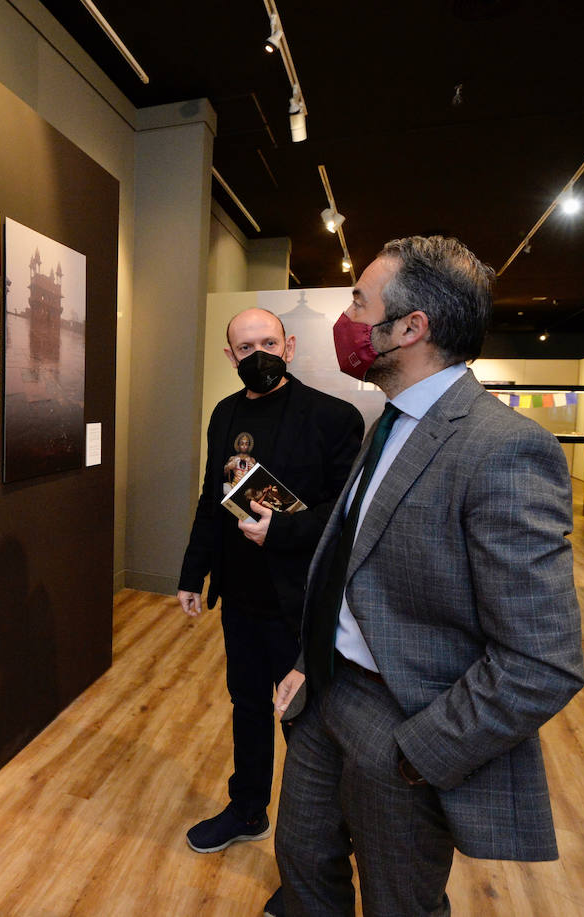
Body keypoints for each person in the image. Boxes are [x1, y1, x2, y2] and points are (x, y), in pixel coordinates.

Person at [272, 236, 584, 917]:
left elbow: (543, 660)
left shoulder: (503, 448)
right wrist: (309, 660)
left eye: (360, 301)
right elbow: (350, 566)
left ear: (411, 328)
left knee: (399, 902)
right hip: (326, 694)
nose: (347, 319)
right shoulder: (385, 424)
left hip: (405, 725)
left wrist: (417, 752)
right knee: (302, 866)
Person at [178, 308, 363, 917]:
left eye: (267, 341)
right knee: (248, 705)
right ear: (230, 357)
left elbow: (346, 515)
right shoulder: (224, 414)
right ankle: (248, 807)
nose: (258, 352)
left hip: (302, 599)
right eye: (244, 345)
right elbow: (213, 497)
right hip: (243, 597)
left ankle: (313, 869)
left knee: (308, 731)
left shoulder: (333, 417)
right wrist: (192, 573)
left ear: (287, 343)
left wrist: (281, 532)